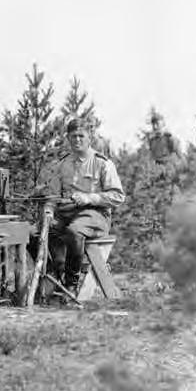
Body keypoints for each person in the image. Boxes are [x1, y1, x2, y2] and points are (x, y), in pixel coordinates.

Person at [40, 118, 125, 294]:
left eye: (81, 136)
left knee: (75, 231)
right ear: (68, 138)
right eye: (73, 136)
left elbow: (118, 196)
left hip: (95, 216)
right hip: (67, 214)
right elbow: (53, 196)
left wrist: (89, 198)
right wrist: (48, 210)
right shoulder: (62, 164)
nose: (77, 140)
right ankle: (57, 273)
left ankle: (71, 284)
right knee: (35, 233)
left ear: (90, 137)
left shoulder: (103, 163)